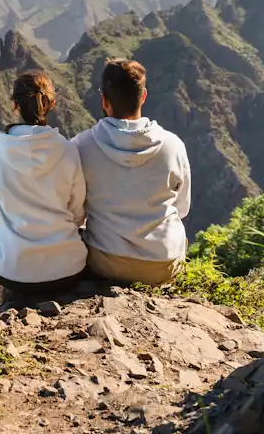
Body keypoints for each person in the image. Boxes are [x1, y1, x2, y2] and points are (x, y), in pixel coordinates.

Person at [0, 71, 88, 305]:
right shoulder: (68, 151)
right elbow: (77, 213)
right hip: (68, 269)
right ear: (51, 104)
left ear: (15, 106)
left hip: (12, 272)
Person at [72, 59, 190, 286]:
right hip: (163, 265)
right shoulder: (173, 145)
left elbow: (75, 212)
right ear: (143, 96)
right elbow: (182, 207)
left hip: (106, 262)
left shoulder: (81, 146)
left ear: (104, 100)